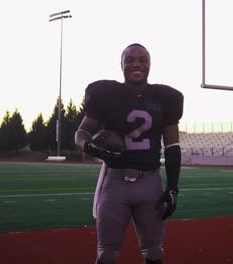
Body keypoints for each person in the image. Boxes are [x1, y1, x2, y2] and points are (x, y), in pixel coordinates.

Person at [74, 43, 183, 264]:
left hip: (150, 182)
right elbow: (82, 132)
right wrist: (89, 147)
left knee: (154, 252)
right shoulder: (107, 94)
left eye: (142, 59)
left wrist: (172, 187)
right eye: (130, 59)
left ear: (150, 64)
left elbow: (172, 146)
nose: (137, 64)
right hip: (115, 182)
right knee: (106, 253)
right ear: (121, 64)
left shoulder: (165, 97)